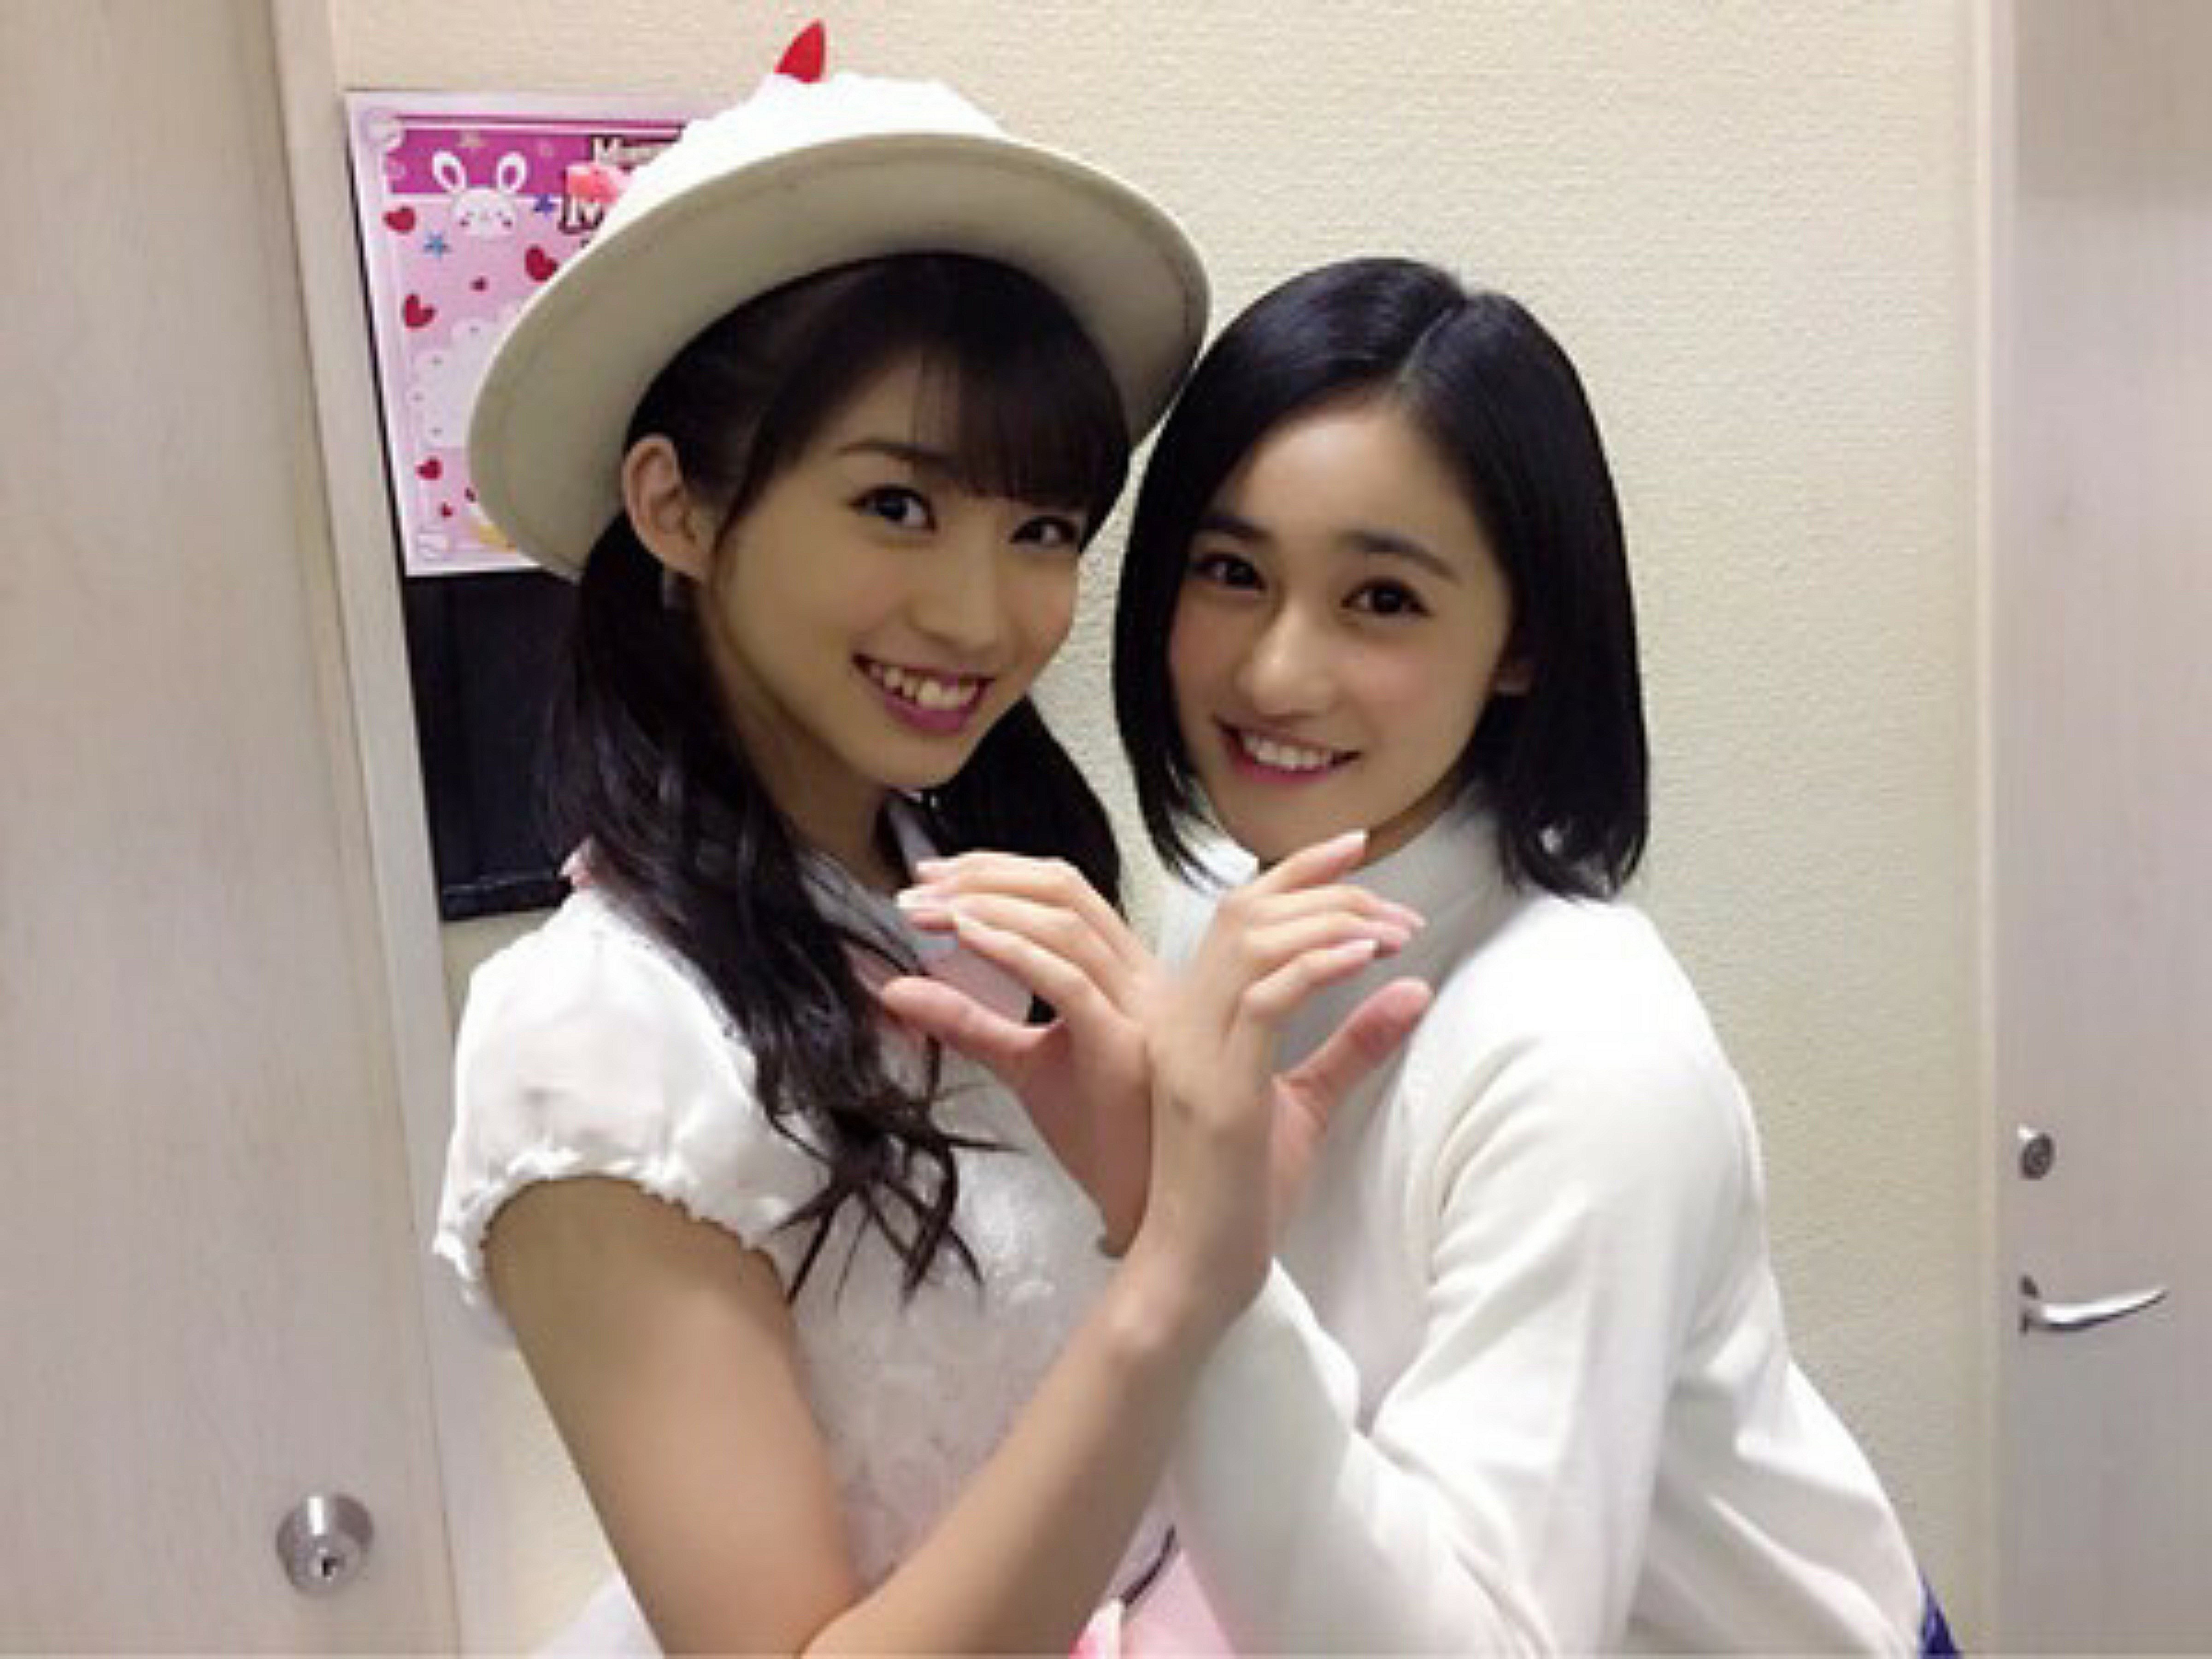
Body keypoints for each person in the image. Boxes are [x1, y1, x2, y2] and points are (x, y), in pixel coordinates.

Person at [431, 67, 1431, 1656]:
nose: (982, 617)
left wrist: (1189, 1206)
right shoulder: (597, 1041)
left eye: (1042, 530)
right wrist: (1182, 1276)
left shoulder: (990, 896)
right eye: (897, 504)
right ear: (675, 506)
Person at [891, 257, 1957, 1653]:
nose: (1275, 674)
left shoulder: (1587, 1057)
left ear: (1522, 640)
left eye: (1382, 600)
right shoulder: (1225, 912)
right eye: (1231, 573)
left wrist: (1191, 1252)